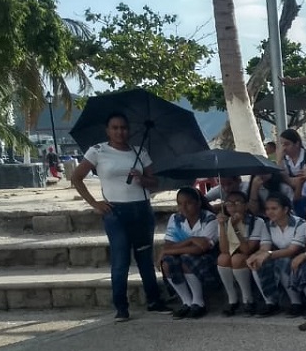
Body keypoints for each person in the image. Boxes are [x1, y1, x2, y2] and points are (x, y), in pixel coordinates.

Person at [70, 111, 169, 321]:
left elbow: (155, 182)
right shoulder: (97, 151)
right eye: (115, 128)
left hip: (141, 210)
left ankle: (154, 300)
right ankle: (121, 307)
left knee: (144, 258)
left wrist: (142, 179)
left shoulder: (139, 152)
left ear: (129, 130)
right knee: (121, 260)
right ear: (108, 130)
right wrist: (95, 203)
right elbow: (76, 178)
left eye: (123, 127)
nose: (120, 132)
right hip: (116, 212)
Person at [160, 187, 218, 319]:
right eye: (180, 203)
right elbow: (168, 244)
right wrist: (191, 241)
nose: (184, 207)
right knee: (167, 263)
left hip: (207, 257)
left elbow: (202, 247)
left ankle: (198, 302)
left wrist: (171, 250)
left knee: (186, 258)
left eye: (188, 203)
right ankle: (186, 301)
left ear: (198, 203)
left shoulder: (209, 218)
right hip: (182, 254)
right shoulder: (175, 218)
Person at [247, 193, 306, 316]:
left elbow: (292, 250)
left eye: (274, 208)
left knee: (283, 262)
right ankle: (270, 302)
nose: (270, 212)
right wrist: (255, 256)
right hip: (280, 255)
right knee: (257, 263)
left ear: (285, 209)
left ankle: (296, 303)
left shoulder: (300, 224)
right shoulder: (268, 225)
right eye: (268, 209)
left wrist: (268, 254)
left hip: (301, 257)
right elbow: (265, 247)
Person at [216, 189, 262, 316]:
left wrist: (235, 227)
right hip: (231, 253)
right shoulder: (224, 221)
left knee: (237, 259)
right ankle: (232, 300)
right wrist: (222, 226)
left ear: (246, 205)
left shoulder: (256, 222)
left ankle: (248, 300)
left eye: (237, 203)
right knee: (222, 258)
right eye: (229, 204)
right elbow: (224, 250)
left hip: (250, 254)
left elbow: (247, 249)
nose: (233, 207)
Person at [277, 128, 306, 200]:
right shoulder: (284, 159)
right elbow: (279, 177)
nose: (283, 148)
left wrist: (287, 179)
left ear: (297, 144)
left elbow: (302, 182)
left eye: (287, 144)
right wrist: (279, 160)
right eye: (282, 144)